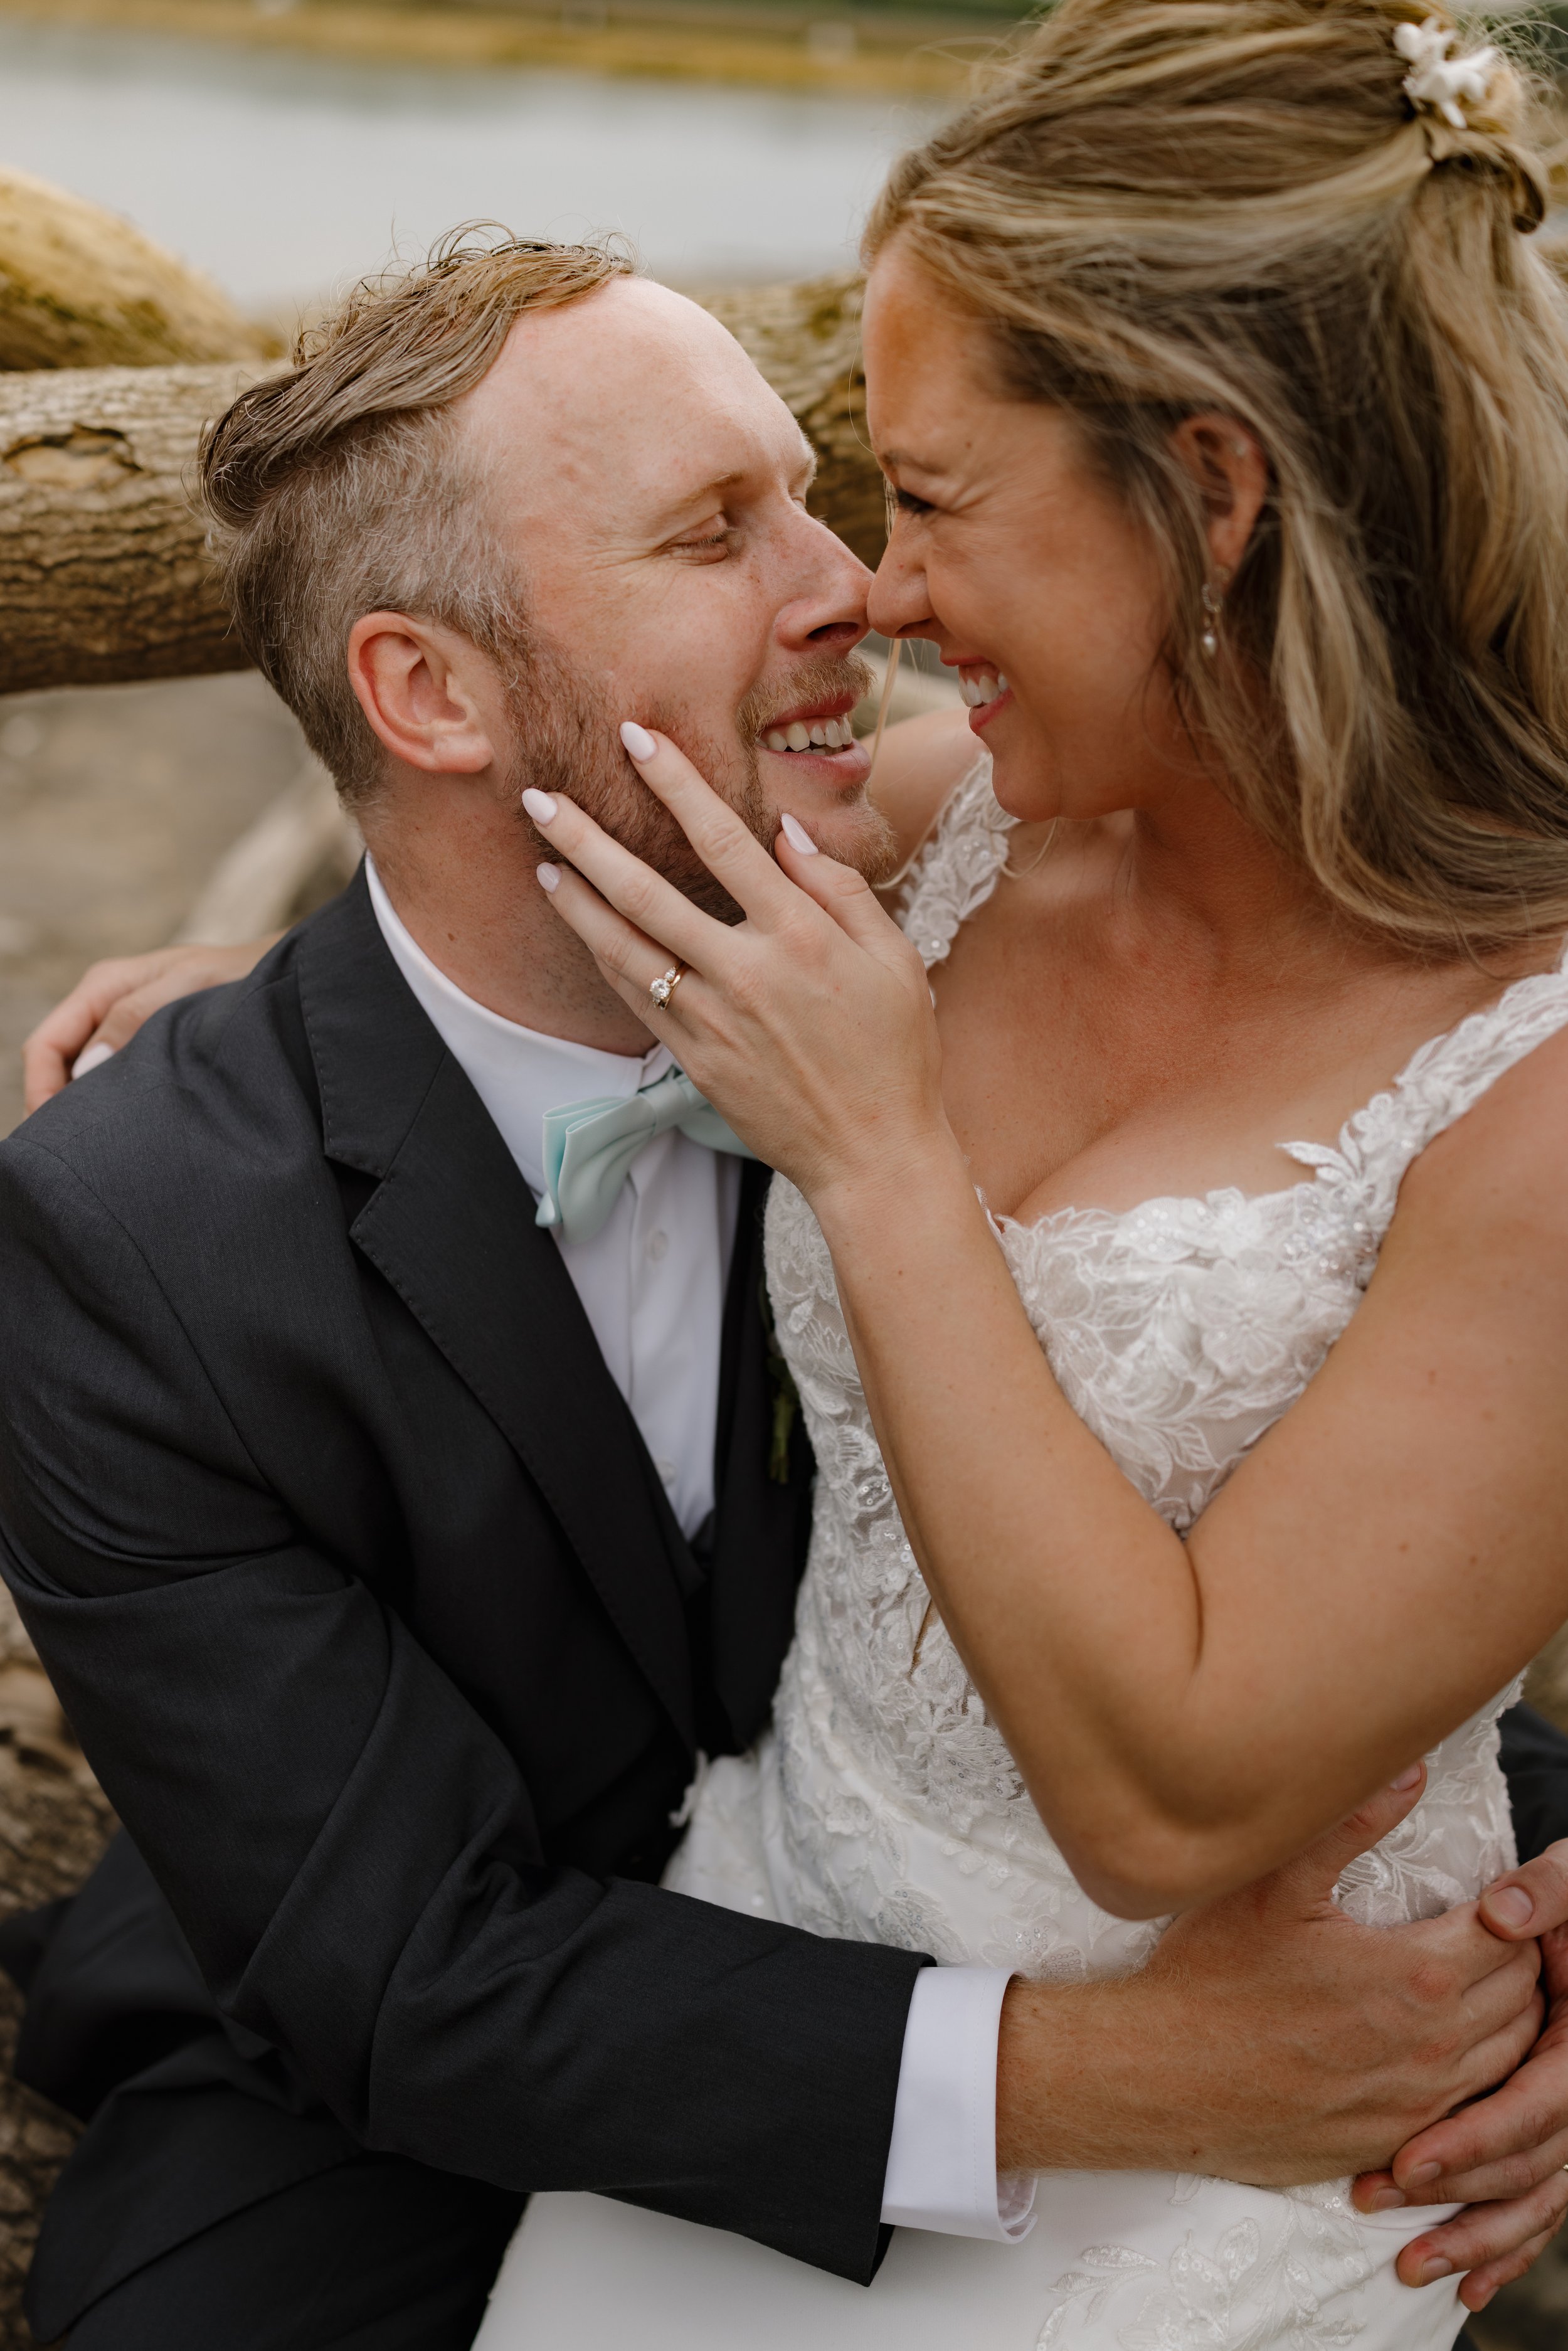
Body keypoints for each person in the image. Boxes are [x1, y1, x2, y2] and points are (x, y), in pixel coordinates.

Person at [16, 209, 1568, 2351]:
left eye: (831, 493)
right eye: (716, 529)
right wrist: (1110, 2073)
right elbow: (401, 1973)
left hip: (1097, 1961)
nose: (855, 589)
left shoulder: (964, 926)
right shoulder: (135, 1239)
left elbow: (1323, 1472)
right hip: (390, 2057)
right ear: (431, 694)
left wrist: (1526, 1928)